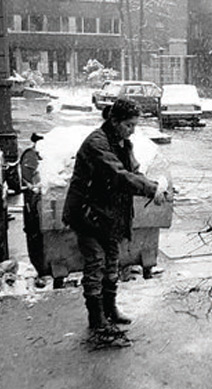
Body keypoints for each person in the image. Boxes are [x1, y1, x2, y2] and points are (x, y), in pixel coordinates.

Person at [63, 98, 170, 334]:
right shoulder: (96, 144)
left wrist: (155, 186)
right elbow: (117, 175)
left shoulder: (123, 143)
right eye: (129, 125)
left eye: (134, 126)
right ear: (114, 120)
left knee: (112, 260)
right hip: (87, 214)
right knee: (96, 262)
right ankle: (96, 317)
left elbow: (133, 172)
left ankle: (110, 309)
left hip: (108, 214)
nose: (132, 131)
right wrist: (150, 189)